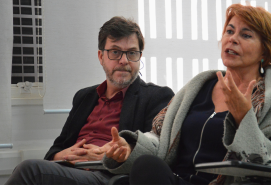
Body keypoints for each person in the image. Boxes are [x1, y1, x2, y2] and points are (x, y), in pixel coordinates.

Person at [100, 4, 271, 185]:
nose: (232, 39)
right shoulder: (199, 86)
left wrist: (244, 120)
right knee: (146, 166)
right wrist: (130, 146)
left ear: (265, 51)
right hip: (178, 180)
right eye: (229, 31)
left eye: (245, 35)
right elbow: (160, 138)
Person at [5, 16, 174, 185]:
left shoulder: (156, 96)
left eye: (132, 53)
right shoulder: (84, 97)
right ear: (101, 57)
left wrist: (114, 155)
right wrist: (63, 155)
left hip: (110, 176)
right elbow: (55, 150)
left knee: (29, 171)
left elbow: (156, 153)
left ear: (140, 57)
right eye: (115, 52)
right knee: (26, 170)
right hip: (71, 170)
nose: (124, 60)